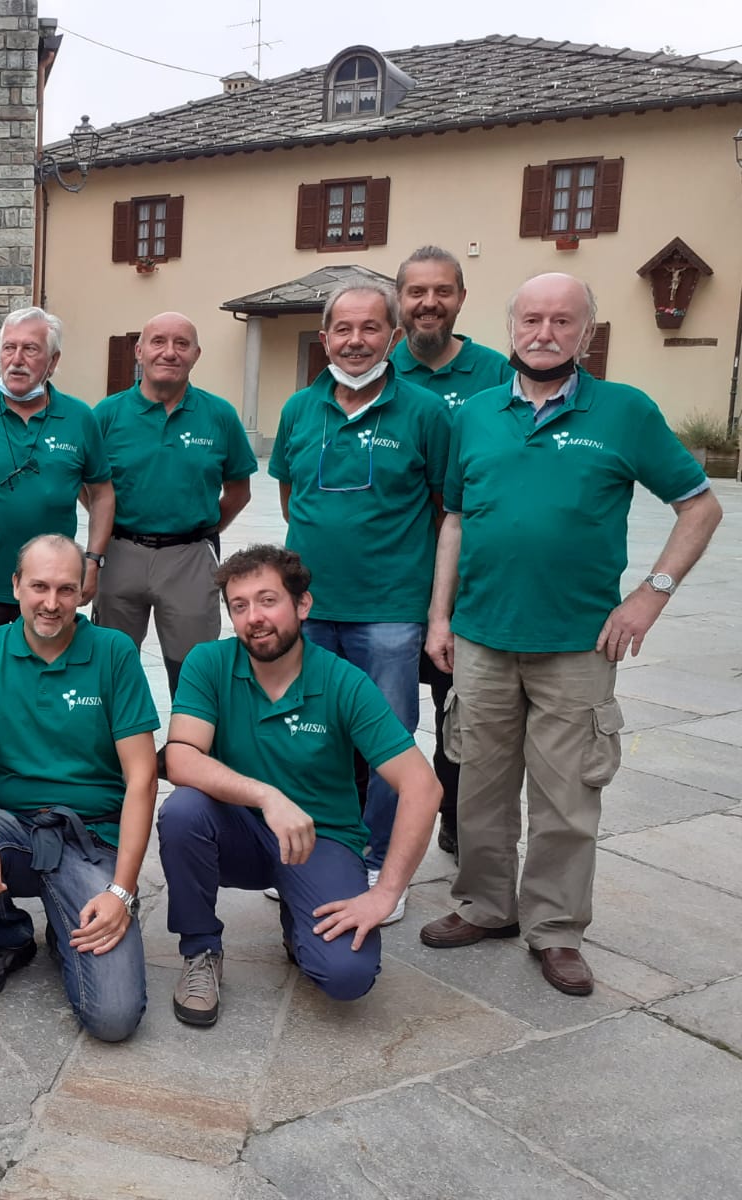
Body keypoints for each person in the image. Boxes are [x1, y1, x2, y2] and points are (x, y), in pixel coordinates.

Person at [421, 272, 722, 998]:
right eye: (531, 318)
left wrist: (650, 596)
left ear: (586, 332)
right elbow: (455, 520)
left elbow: (701, 507)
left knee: (566, 798)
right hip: (482, 639)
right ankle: (485, 906)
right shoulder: (477, 414)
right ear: (511, 326)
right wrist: (439, 617)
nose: (544, 332)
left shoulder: (624, 411)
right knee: (480, 788)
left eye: (562, 320)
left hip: (577, 646)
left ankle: (554, 929)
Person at [157, 545, 440, 1027]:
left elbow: (422, 787)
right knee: (182, 812)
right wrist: (267, 796)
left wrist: (386, 892)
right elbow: (180, 757)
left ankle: (298, 913)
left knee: (347, 976)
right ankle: (200, 950)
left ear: (302, 604)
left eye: (267, 600)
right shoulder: (209, 662)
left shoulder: (343, 681)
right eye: (240, 606)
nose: (254, 617)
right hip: (238, 830)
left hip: (319, 838)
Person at [267, 278, 449, 923]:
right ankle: (313, 848)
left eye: (370, 327)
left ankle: (377, 860)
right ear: (324, 339)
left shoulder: (425, 412)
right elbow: (292, 499)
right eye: (342, 329)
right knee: (307, 731)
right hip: (309, 610)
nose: (355, 340)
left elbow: (442, 508)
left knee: (387, 738)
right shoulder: (298, 410)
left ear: (393, 337)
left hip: (390, 610)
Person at [0, 534, 157, 1043]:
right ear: (16, 586)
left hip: (90, 836)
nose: (51, 603)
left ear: (83, 592)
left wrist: (122, 890)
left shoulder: (113, 652)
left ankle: (66, 922)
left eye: (66, 589)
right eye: (39, 587)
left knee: (114, 1018)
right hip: (13, 826)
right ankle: (8, 938)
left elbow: (142, 777)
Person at [389, 246, 514, 860]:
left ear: (461, 298)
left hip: (466, 585)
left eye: (442, 291)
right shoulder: (375, 369)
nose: (429, 303)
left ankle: (457, 818)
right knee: (376, 712)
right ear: (400, 300)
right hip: (389, 583)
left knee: (458, 711)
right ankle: (371, 821)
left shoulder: (496, 374)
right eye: (416, 292)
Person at [0, 307, 113, 661]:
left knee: (50, 681)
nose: (17, 360)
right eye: (9, 348)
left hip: (52, 593)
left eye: (30, 349)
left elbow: (103, 494)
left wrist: (92, 561)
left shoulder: (79, 418)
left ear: (53, 360)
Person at [93, 311, 256, 698]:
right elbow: (92, 489)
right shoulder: (106, 415)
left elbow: (239, 491)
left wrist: (203, 530)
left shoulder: (219, 416)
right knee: (109, 668)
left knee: (195, 673)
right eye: (158, 342)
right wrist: (108, 524)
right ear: (139, 351)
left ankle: (189, 736)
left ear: (196, 354)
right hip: (120, 552)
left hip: (190, 557)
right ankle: (116, 737)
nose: (169, 352)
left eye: (182, 344)